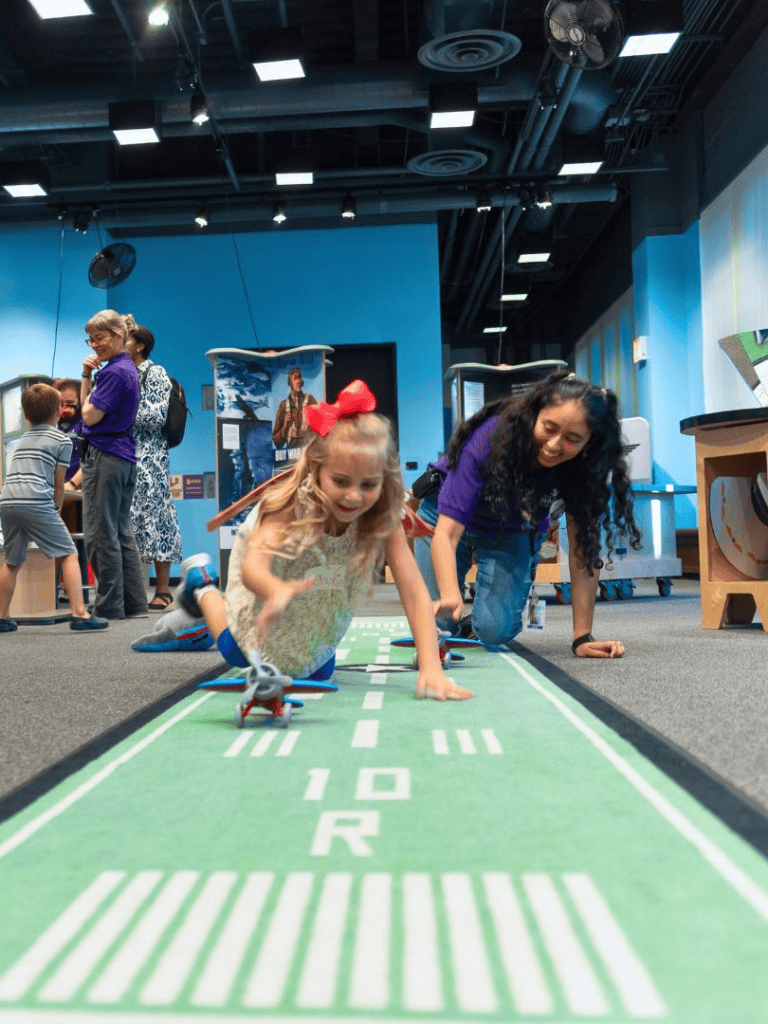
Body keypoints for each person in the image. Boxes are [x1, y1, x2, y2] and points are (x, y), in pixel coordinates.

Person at [133, 380, 474, 701]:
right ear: (317, 470)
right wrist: (274, 590)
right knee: (239, 652)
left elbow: (414, 592)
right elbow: (254, 566)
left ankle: (253, 615)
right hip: (272, 576)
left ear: (383, 480)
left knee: (316, 672)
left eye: (368, 485)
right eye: (340, 481)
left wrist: (430, 667)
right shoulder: (290, 503)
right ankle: (203, 588)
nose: (354, 497)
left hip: (320, 587)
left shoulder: (382, 514)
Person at [414, 371, 642, 659]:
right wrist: (449, 595)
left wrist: (582, 637)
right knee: (439, 622)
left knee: (494, 632)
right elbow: (446, 535)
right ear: (535, 414)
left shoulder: (584, 469)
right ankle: (448, 614)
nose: (554, 445)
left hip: (508, 530)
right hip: (442, 519)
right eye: (549, 427)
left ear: (589, 442)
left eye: (572, 438)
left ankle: (480, 619)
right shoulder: (491, 436)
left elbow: (583, 548)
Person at [0, 383, 108, 632]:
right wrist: (56, 510)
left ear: (26, 416)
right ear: (59, 411)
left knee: (12, 561)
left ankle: (2, 615)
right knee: (69, 553)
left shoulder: (23, 440)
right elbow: (59, 485)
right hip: (36, 502)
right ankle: (80, 613)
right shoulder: (61, 440)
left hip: (8, 501)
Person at [80, 310, 149, 620]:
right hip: (123, 455)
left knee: (99, 533)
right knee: (121, 532)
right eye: (91, 339)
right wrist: (86, 377)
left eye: (101, 337)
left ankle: (109, 606)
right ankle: (134, 605)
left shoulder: (112, 373)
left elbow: (89, 416)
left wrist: (89, 382)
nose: (95, 344)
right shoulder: (126, 369)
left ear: (119, 335)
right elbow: (88, 411)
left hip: (105, 455)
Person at [125, 324, 183, 610]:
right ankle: (133, 592)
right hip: (123, 456)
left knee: (157, 521)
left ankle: (163, 590)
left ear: (139, 346)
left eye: (125, 339)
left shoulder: (155, 372)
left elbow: (156, 416)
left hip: (151, 460)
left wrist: (119, 414)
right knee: (131, 524)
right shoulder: (120, 373)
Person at [272, 367, 317, 448]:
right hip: (290, 454)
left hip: (308, 450)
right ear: (290, 382)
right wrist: (285, 425)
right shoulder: (284, 405)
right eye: (295, 378)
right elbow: (277, 443)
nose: (298, 381)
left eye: (299, 377)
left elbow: (321, 427)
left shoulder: (310, 400)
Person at [53, 378, 85, 489]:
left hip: (78, 488)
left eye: (70, 403)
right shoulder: (52, 424)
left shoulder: (86, 423)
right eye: (61, 403)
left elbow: (93, 459)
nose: (65, 407)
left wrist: (72, 484)